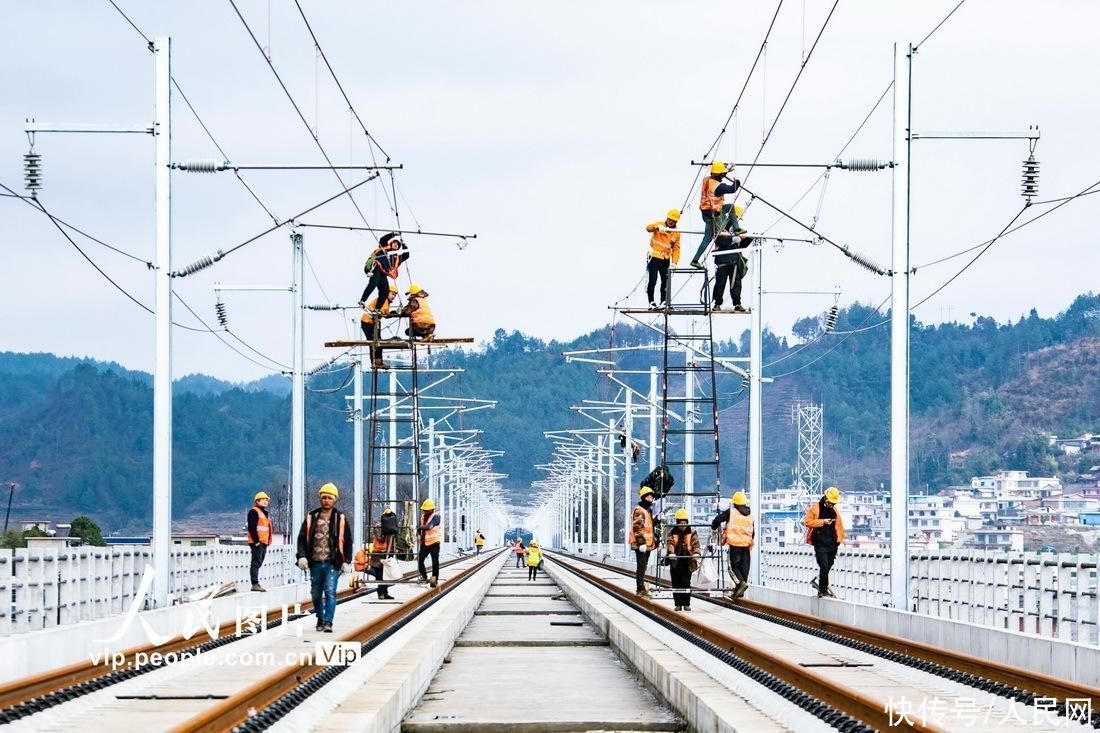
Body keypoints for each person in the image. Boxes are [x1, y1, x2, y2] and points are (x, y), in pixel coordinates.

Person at [296, 483, 353, 632]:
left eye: (329, 498)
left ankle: (328, 621)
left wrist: (346, 561)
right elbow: (302, 538)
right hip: (314, 562)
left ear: (334, 500)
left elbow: (347, 540)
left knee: (329, 591)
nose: (326, 500)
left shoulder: (340, 518)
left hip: (332, 563)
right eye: (324, 497)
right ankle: (320, 618)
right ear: (320, 499)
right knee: (315, 594)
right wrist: (302, 556)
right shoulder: (311, 517)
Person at [690, 161, 743, 269]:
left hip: (706, 212)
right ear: (719, 175)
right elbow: (732, 189)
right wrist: (737, 182)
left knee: (707, 239)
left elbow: (717, 174)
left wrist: (727, 168)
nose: (724, 176)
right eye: (723, 174)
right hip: (713, 214)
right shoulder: (719, 187)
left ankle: (695, 260)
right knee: (731, 208)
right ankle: (737, 229)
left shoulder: (707, 180)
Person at [711, 490, 754, 598]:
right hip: (746, 545)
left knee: (733, 568)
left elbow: (718, 519)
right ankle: (740, 591)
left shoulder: (732, 512)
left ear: (734, 503)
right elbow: (753, 532)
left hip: (735, 544)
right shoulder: (750, 515)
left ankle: (740, 584)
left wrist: (713, 527)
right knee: (744, 568)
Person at [804, 486, 846, 598]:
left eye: (834, 503)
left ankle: (822, 584)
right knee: (823, 565)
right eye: (831, 503)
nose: (832, 505)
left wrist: (839, 541)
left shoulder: (834, 511)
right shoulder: (815, 509)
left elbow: (839, 527)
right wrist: (822, 522)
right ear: (825, 498)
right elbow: (808, 522)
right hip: (820, 542)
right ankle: (823, 589)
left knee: (829, 565)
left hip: (832, 543)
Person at [711, 218, 751, 314]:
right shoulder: (720, 227)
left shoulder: (736, 229)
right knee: (720, 283)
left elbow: (741, 245)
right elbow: (719, 240)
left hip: (734, 261)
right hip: (722, 261)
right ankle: (717, 304)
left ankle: (737, 303)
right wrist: (732, 239)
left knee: (736, 284)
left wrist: (747, 238)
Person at [644, 209, 682, 308]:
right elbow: (648, 228)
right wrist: (657, 227)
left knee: (665, 281)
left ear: (676, 221)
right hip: (654, 257)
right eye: (669, 219)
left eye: (673, 220)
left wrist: (674, 262)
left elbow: (676, 248)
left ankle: (663, 301)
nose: (670, 221)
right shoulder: (659, 224)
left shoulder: (676, 233)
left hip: (665, 259)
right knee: (653, 279)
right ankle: (651, 301)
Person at [359, 233, 407, 309]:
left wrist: (403, 244)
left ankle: (377, 309)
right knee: (373, 283)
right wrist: (393, 234)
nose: (395, 245)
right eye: (394, 243)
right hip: (376, 267)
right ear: (391, 243)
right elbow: (383, 239)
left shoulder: (396, 257)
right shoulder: (385, 247)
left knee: (385, 291)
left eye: (397, 245)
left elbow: (406, 255)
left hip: (383, 273)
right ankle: (362, 301)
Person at [665, 508, 701, 611]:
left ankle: (686, 604)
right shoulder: (672, 532)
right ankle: (678, 604)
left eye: (684, 522)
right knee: (676, 583)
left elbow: (696, 544)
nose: (683, 525)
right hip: (675, 561)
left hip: (687, 561)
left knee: (686, 582)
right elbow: (670, 543)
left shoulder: (692, 532)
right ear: (677, 523)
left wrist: (697, 553)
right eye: (680, 523)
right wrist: (671, 553)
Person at [628, 486, 658, 597]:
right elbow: (638, 528)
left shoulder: (646, 510)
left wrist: (658, 519)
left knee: (643, 566)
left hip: (647, 544)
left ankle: (641, 588)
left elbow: (648, 525)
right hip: (641, 544)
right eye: (649, 497)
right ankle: (640, 589)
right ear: (643, 497)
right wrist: (641, 543)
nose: (650, 499)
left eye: (652, 497)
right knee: (641, 566)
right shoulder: (640, 510)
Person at [360, 288, 398, 369]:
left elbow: (386, 314)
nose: (393, 296)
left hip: (371, 322)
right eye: (392, 294)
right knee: (375, 343)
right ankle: (376, 362)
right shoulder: (383, 299)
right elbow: (379, 313)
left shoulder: (386, 302)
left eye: (395, 295)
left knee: (377, 342)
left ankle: (378, 362)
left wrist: (394, 313)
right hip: (368, 322)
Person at [246, 491, 274, 592]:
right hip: (258, 542)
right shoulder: (254, 512)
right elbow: (252, 527)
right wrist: (257, 541)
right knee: (256, 562)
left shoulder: (264, 513)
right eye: (264, 499)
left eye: (267, 500)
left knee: (258, 562)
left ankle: (255, 583)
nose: (266, 501)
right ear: (257, 501)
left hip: (263, 542)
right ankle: (255, 583)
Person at [417, 498, 442, 587]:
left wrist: (420, 527)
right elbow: (421, 528)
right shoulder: (423, 517)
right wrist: (417, 531)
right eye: (424, 510)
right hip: (424, 544)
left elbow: (429, 526)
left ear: (432, 509)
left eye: (427, 510)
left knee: (435, 562)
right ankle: (424, 576)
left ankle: (435, 578)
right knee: (420, 561)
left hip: (434, 543)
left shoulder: (436, 517)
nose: (425, 511)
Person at [368, 527, 397, 600]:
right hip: (378, 554)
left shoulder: (390, 529)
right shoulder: (378, 527)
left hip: (387, 553)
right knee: (380, 575)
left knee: (387, 574)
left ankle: (384, 592)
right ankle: (381, 593)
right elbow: (381, 537)